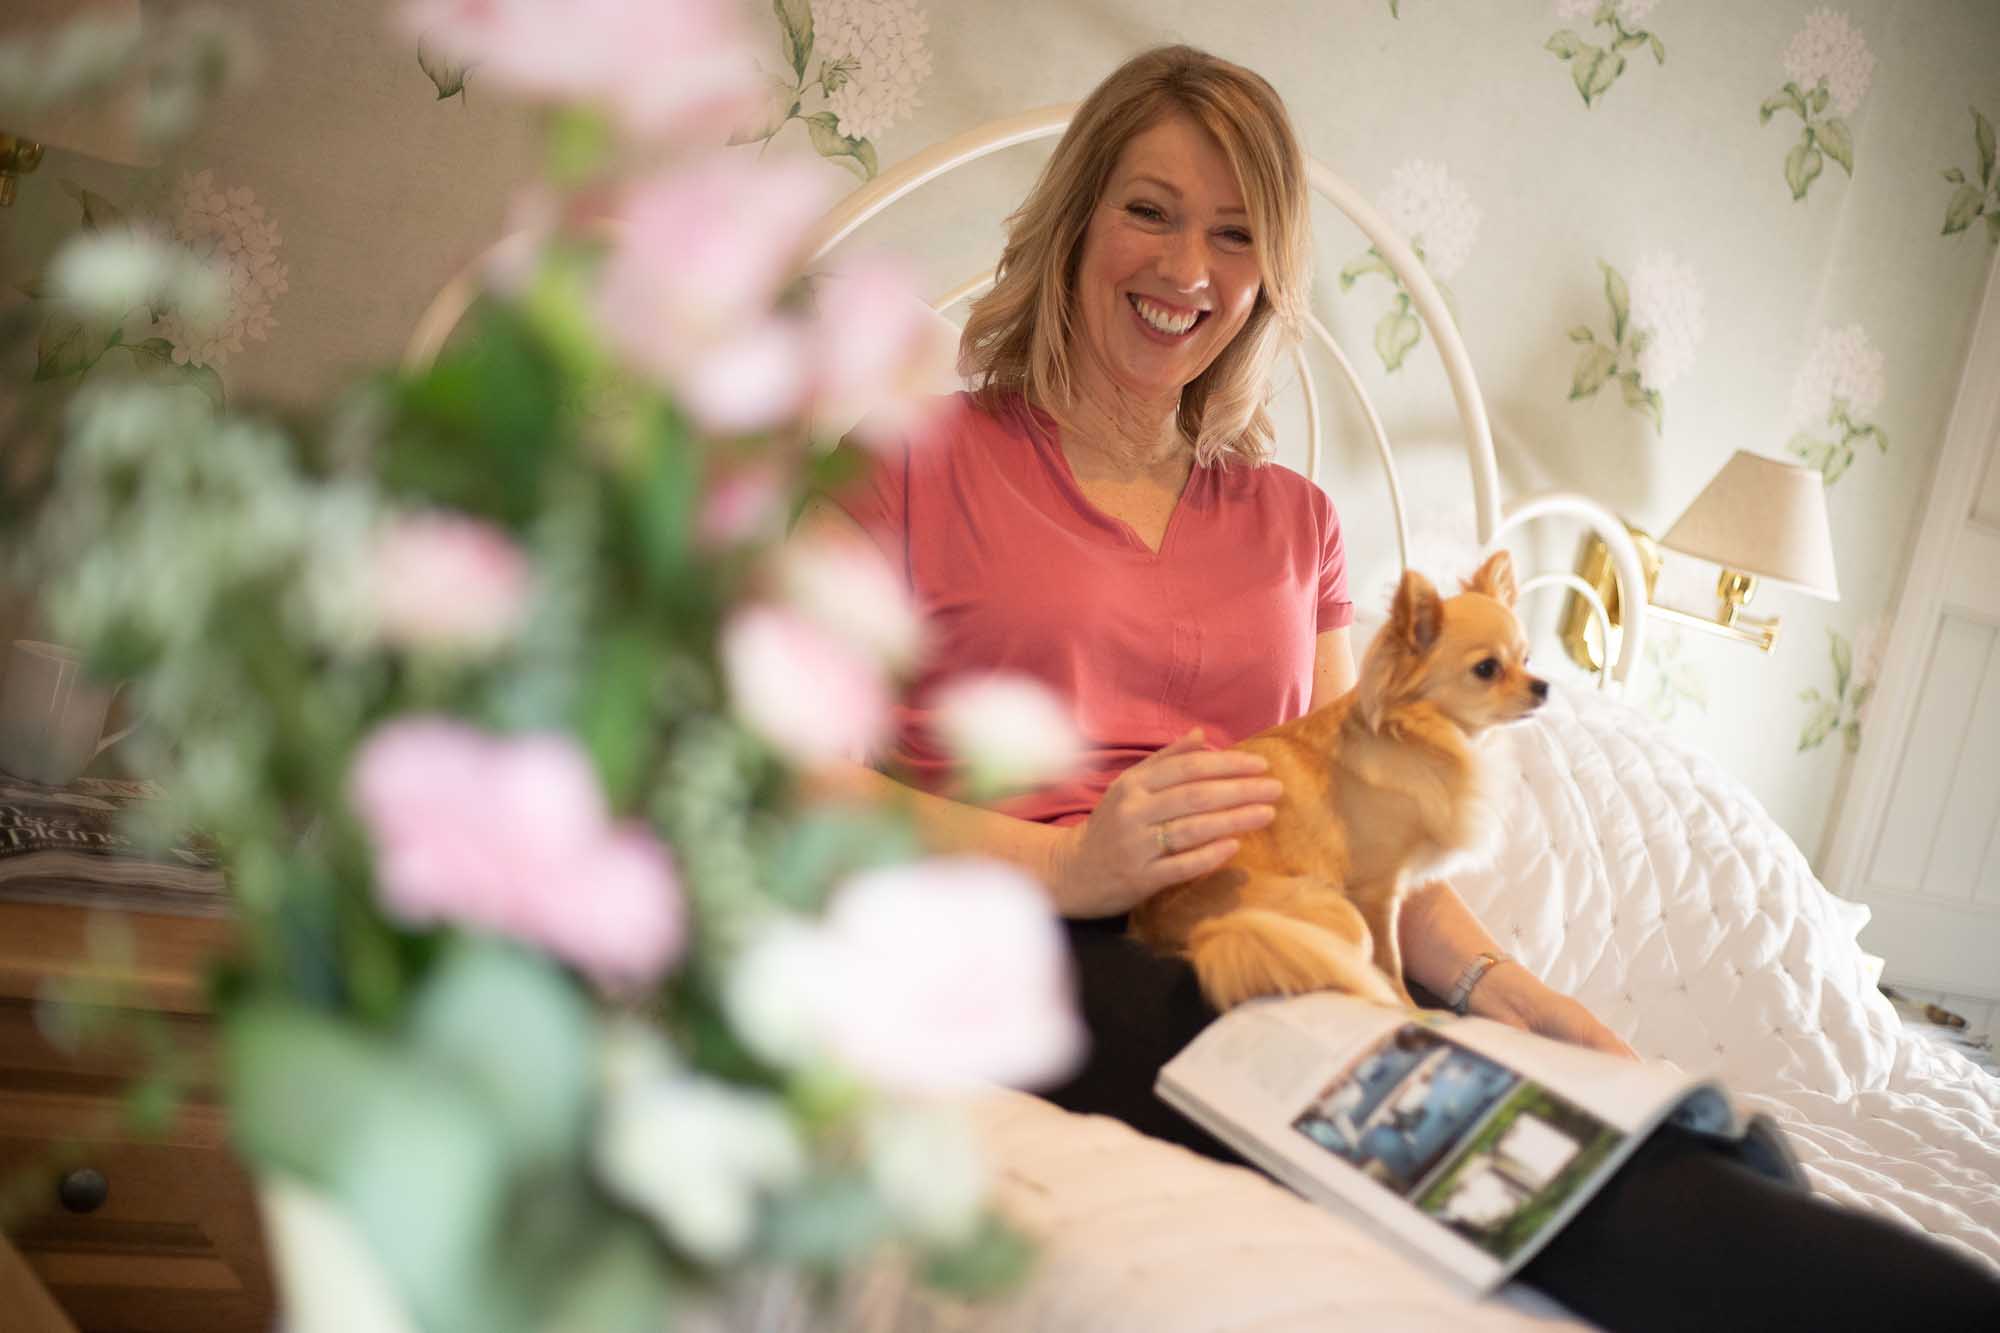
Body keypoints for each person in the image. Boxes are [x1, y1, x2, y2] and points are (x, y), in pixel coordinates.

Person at [798, 43, 2000, 1332]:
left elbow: (1365, 824)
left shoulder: (1293, 520)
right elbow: (794, 786)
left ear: (1269, 278)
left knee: (1655, 1142)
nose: (1187, 269)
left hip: (1303, 928)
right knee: (1496, 1160)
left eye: (1235, 234)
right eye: (1148, 210)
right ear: (1077, 216)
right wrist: (1071, 870)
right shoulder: (906, 460)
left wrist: (1523, 995)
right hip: (1048, 941)